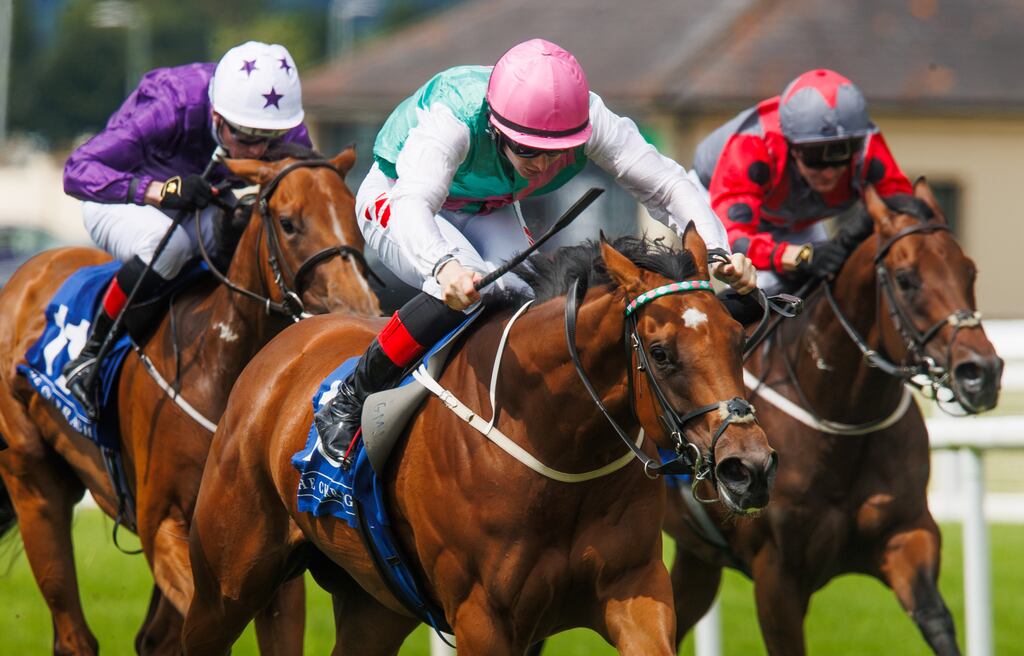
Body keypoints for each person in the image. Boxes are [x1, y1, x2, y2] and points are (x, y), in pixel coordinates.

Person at [314, 38, 757, 463]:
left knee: (533, 301)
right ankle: (352, 394)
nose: (542, 165)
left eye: (558, 152)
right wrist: (444, 267)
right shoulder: (452, 119)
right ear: (494, 125)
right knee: (476, 288)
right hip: (398, 198)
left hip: (488, 208)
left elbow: (668, 183)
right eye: (528, 150)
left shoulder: (591, 118)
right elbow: (414, 205)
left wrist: (718, 254)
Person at [62, 41, 312, 418]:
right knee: (170, 244)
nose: (258, 152)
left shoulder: (280, 123)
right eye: (245, 139)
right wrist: (158, 191)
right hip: (120, 199)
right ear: (215, 115)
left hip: (200, 201)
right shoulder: (171, 104)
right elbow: (77, 171)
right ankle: (92, 352)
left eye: (269, 141)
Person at [692, 68, 913, 293]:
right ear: (791, 145)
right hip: (715, 203)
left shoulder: (868, 146)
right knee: (763, 287)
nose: (829, 173)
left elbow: (905, 213)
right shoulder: (752, 147)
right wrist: (799, 256)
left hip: (794, 217)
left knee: (824, 286)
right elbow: (735, 240)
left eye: (843, 155)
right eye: (815, 157)